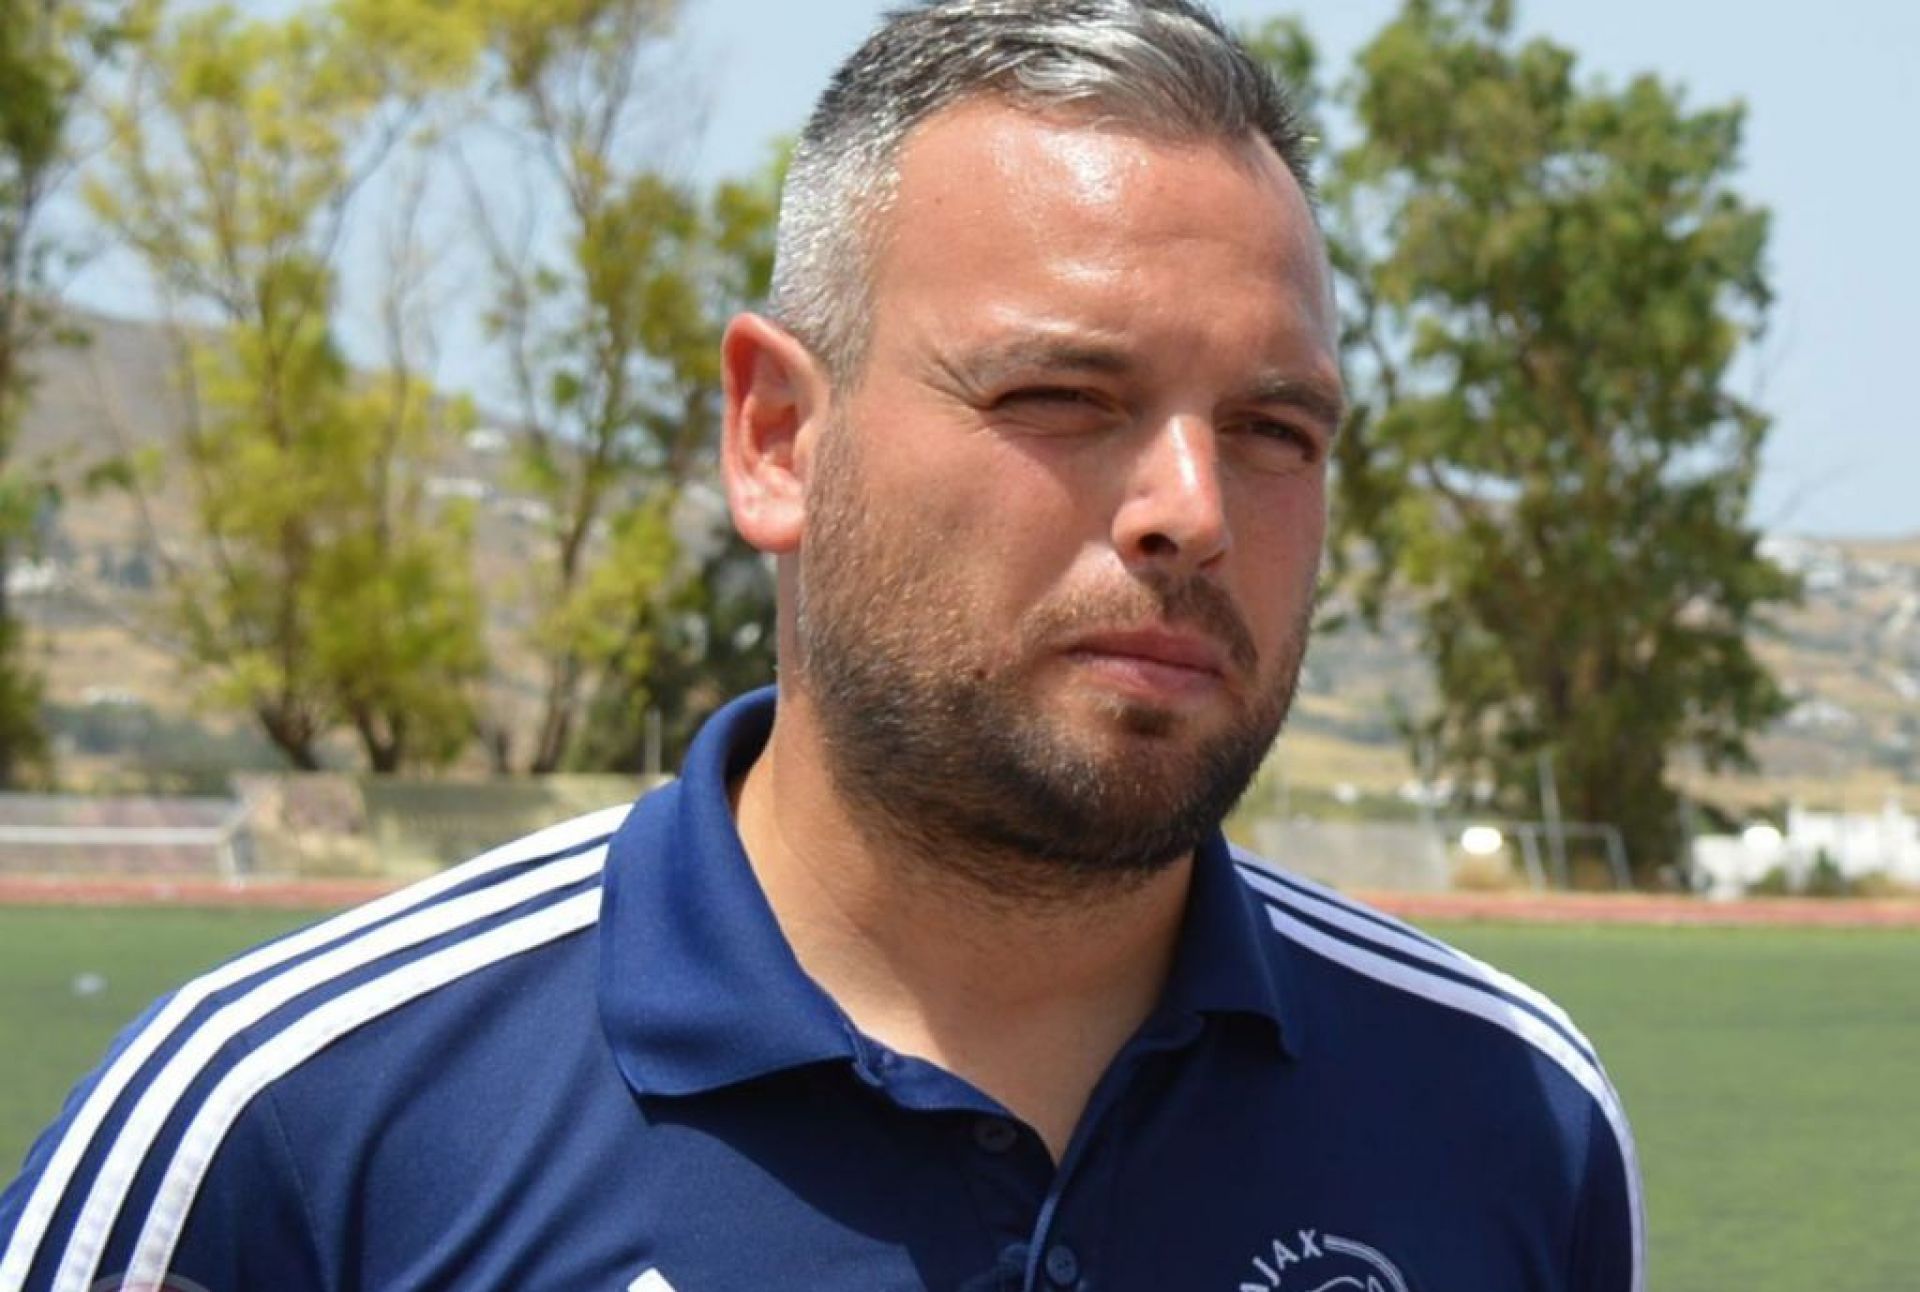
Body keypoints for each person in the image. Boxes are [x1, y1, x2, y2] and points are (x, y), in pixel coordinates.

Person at [0, 1, 1643, 1288]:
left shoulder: (1511, 1116)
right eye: (1061, 395)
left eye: (1276, 429)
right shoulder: (288, 1131)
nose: (1192, 512)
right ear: (777, 437)